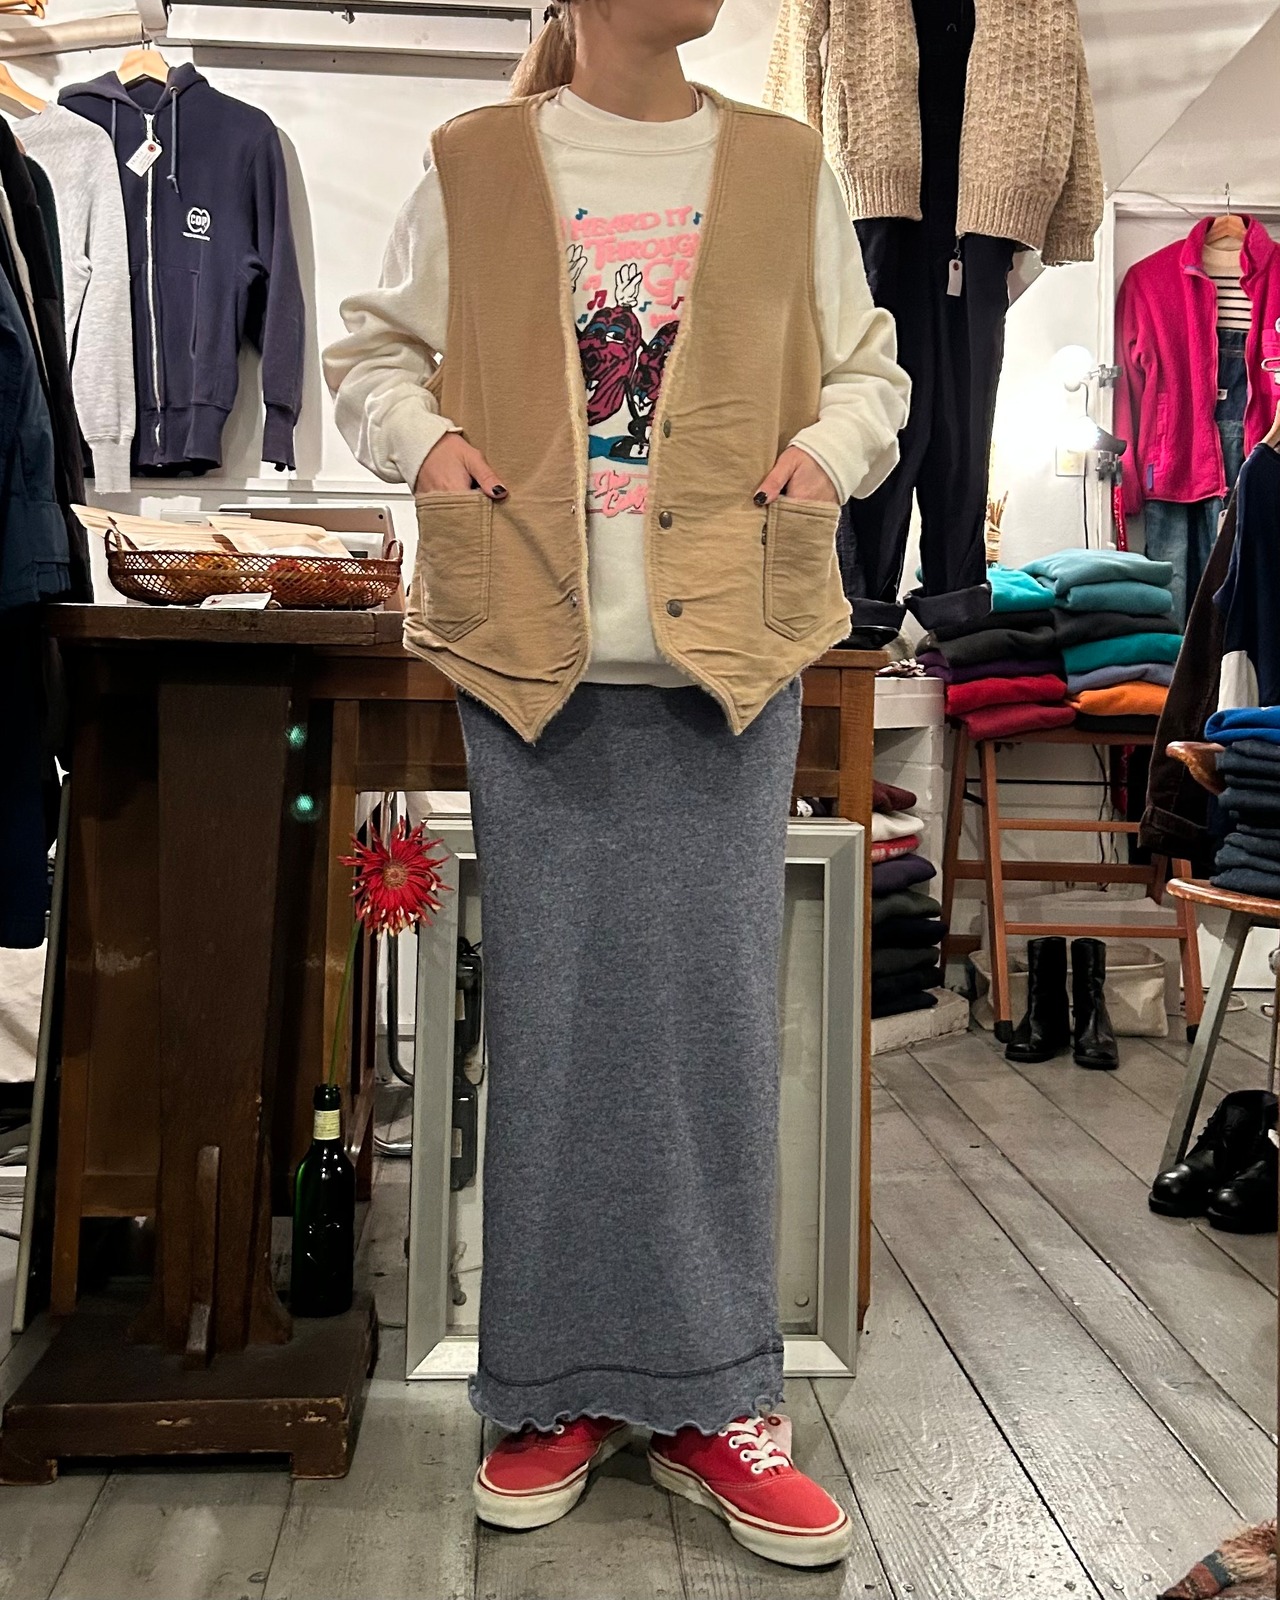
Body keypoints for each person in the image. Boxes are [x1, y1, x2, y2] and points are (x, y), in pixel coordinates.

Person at [323, 0, 909, 1571]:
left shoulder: (785, 165)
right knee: (552, 1028)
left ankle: (722, 1395)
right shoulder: (477, 159)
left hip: (731, 655)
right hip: (534, 654)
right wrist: (426, 443)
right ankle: (549, 1389)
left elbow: (870, 371)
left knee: (715, 1031)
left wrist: (829, 455)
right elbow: (370, 349)